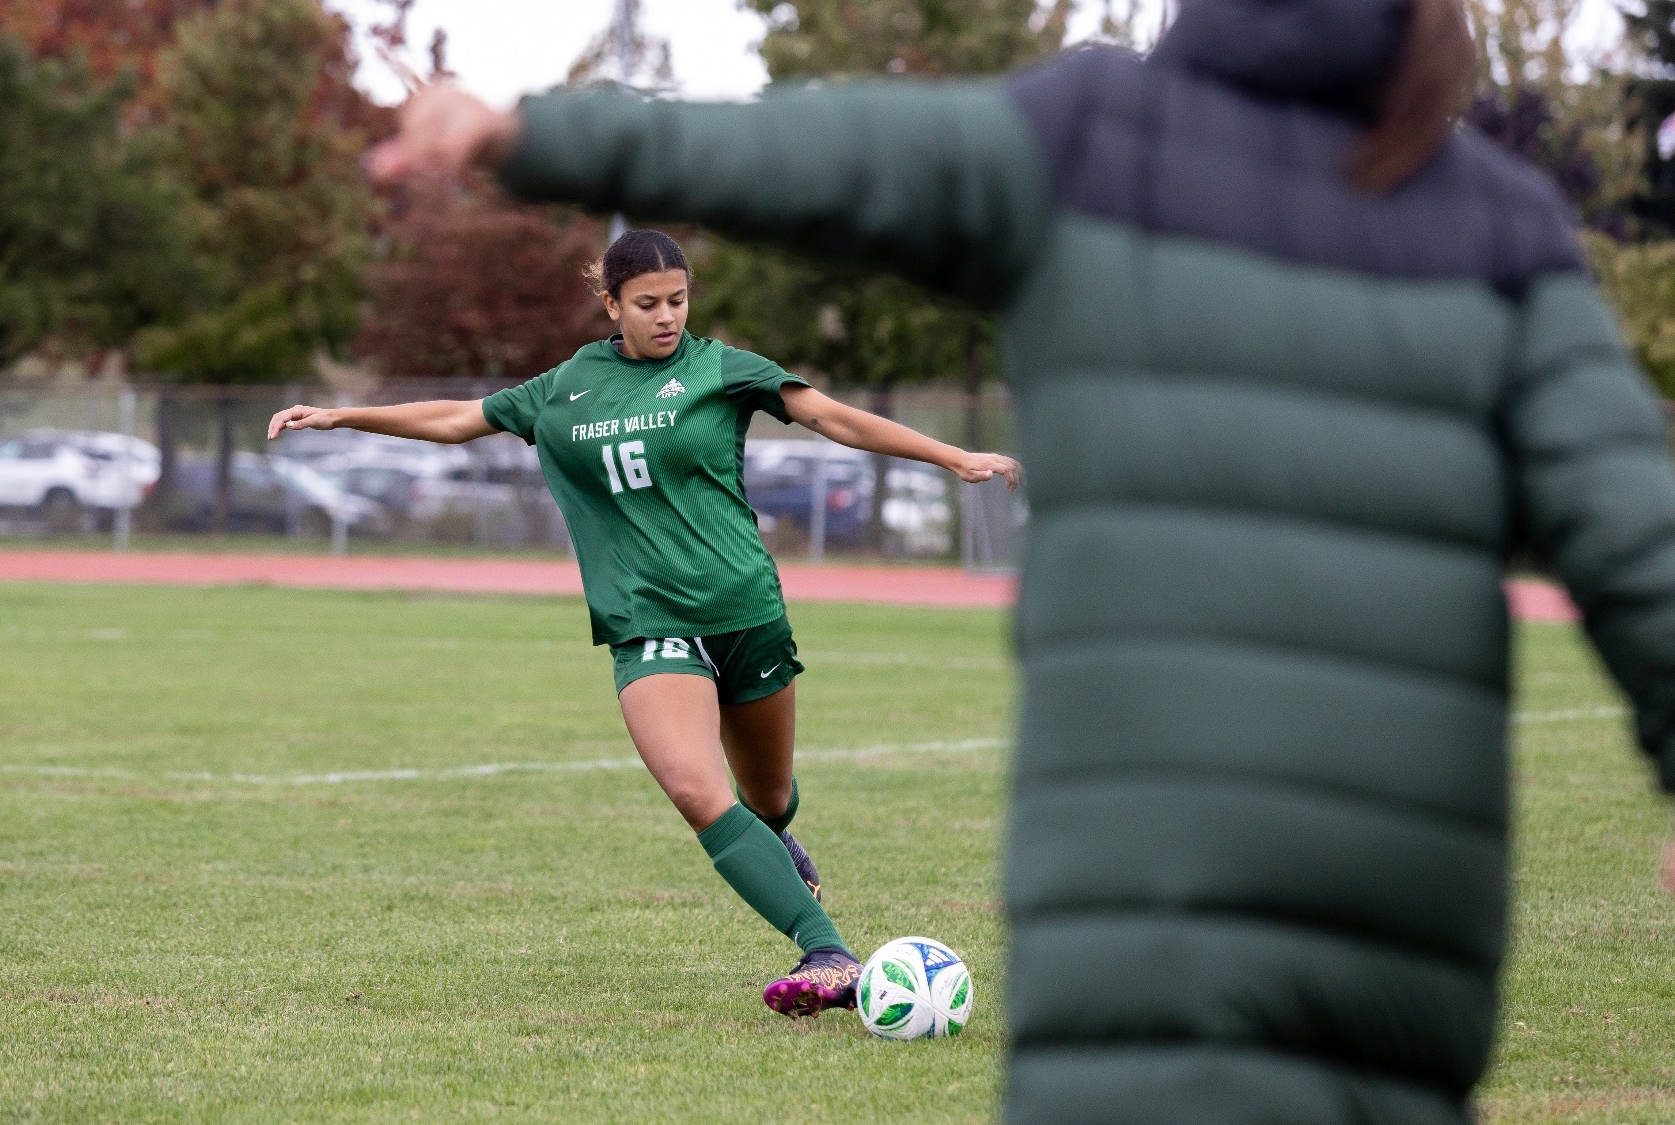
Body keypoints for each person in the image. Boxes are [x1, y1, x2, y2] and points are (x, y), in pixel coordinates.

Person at [361, 0, 1675, 1122]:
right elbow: (1637, 539)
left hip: (1128, 861)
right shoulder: (1498, 227)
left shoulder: (1093, 142)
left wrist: (522, 132)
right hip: (1405, 889)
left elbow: (814, 150)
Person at [268, 229, 1021, 1019]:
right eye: (649, 303)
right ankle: (828, 951)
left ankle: (777, 842)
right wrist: (343, 414)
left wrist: (952, 456)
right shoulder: (568, 387)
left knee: (767, 795)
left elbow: (832, 418)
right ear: (611, 305)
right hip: (648, 622)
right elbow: (459, 418)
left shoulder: (720, 368)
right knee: (698, 788)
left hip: (746, 612)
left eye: (679, 300)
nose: (668, 317)